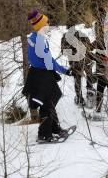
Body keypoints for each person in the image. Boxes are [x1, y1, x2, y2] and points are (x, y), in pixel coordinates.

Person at [23, 10, 73, 143]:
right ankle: (44, 134)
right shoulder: (39, 40)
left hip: (38, 74)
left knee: (51, 100)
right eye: (46, 23)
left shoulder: (34, 37)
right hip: (42, 76)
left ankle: (55, 128)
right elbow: (49, 61)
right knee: (48, 103)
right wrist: (65, 70)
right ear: (40, 25)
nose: (48, 25)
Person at [61, 28, 95, 106]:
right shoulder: (80, 34)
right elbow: (89, 47)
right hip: (81, 61)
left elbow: (63, 51)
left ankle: (83, 97)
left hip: (78, 61)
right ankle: (83, 96)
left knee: (80, 78)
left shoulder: (65, 37)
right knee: (83, 77)